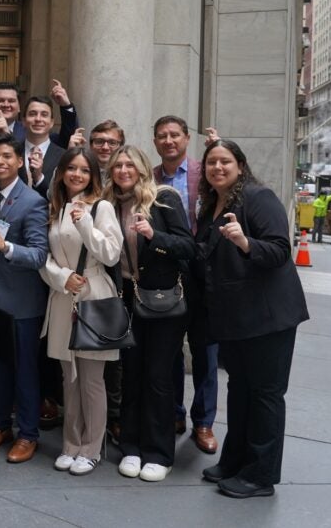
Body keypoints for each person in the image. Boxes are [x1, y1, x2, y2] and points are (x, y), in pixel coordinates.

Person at [195, 141, 309, 499]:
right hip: (235, 320)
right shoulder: (212, 205)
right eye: (211, 162)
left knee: (265, 395)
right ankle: (235, 461)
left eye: (225, 161)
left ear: (240, 166)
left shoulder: (259, 198)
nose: (217, 167)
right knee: (240, 390)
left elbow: (279, 249)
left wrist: (246, 243)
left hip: (268, 317)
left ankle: (260, 476)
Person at [103, 146, 195, 482]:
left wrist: (154, 236)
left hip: (163, 301)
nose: (124, 170)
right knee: (132, 373)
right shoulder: (108, 204)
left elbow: (188, 248)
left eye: (130, 164)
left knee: (157, 376)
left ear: (142, 169)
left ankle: (158, 452)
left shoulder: (164, 198)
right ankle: (131, 446)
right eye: (118, 165)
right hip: (126, 298)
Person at [39, 147, 122, 476]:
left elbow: (112, 254)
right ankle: (70, 444)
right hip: (62, 297)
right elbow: (43, 258)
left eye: (84, 170)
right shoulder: (54, 208)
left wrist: (85, 222)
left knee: (91, 380)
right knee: (68, 379)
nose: (77, 174)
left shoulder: (101, 207)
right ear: (61, 172)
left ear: (93, 176)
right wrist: (61, 278)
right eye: (71, 168)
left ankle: (91, 448)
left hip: (94, 296)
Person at [0, 135, 50, 464]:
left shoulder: (32, 202)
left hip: (23, 304)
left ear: (20, 161)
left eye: (7, 156)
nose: (0, 162)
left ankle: (28, 434)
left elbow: (38, 256)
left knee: (25, 371)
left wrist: (5, 247)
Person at [152, 115, 219, 454]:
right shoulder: (149, 178)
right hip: (166, 272)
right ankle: (175, 413)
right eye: (162, 136)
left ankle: (204, 422)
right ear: (155, 142)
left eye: (174, 135)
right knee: (170, 348)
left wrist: (217, 151)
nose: (169, 141)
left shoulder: (203, 173)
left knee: (206, 349)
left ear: (187, 138)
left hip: (202, 273)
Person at [0, 79, 79, 148]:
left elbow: (66, 141)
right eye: (0, 100)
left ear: (19, 106)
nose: (6, 105)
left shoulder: (33, 128)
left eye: (11, 101)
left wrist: (66, 105)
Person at [19, 96, 65, 198]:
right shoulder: (13, 151)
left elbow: (63, 195)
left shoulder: (64, 156)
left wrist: (39, 178)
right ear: (23, 121)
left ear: (52, 122)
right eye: (32, 114)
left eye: (44, 115)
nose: (38, 119)